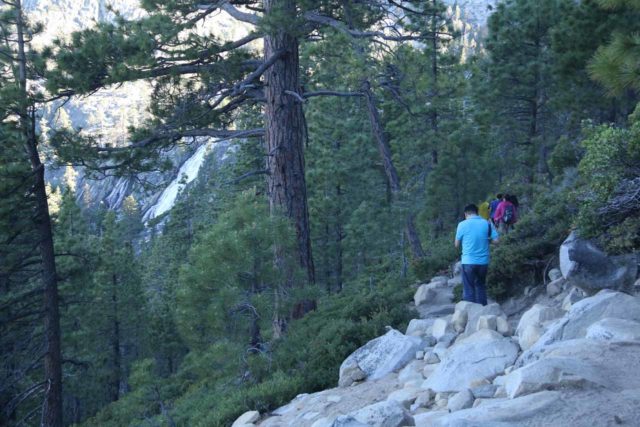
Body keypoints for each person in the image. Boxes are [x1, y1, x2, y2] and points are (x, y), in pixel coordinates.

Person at [455, 204, 499, 306]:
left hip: (468, 261)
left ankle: (471, 315)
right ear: (477, 212)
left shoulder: (462, 225)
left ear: (466, 214)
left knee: (469, 288)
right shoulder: (487, 223)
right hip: (483, 262)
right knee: (480, 286)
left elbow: (456, 245)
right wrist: (488, 240)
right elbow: (497, 241)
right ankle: (483, 312)